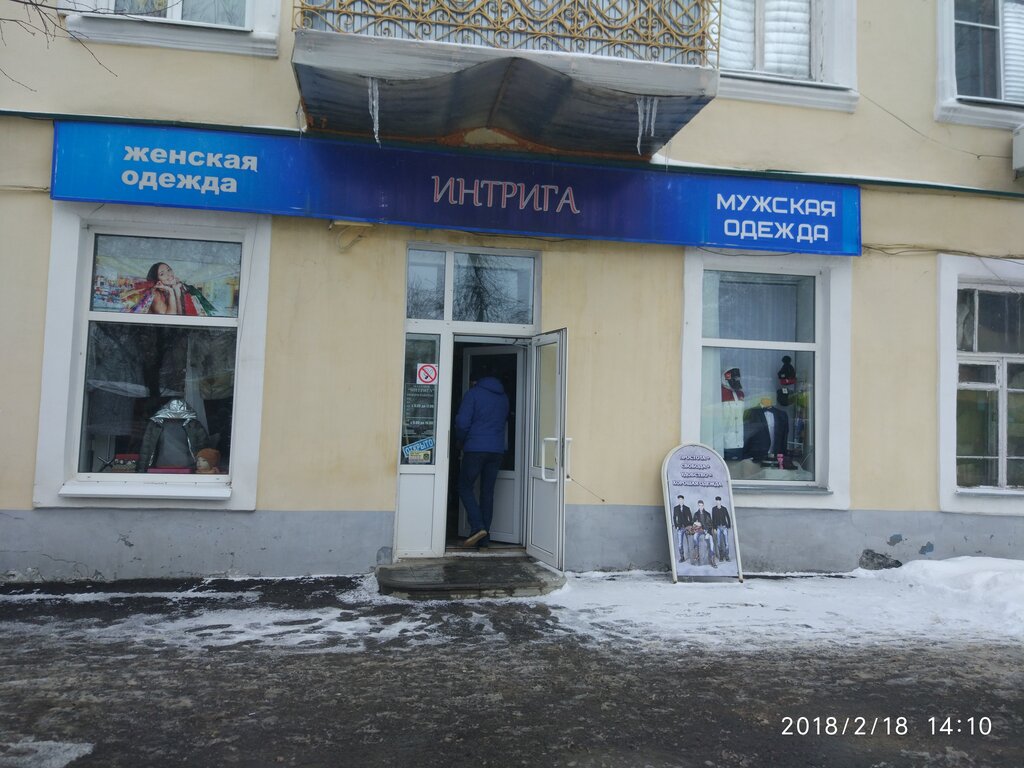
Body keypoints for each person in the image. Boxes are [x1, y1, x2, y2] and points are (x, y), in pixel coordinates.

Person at [455, 371, 510, 548]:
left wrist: (460, 441)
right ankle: (484, 539)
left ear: (475, 381)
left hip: (475, 449)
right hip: (497, 450)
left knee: (464, 487)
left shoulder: (473, 394)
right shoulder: (503, 397)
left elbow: (462, 423)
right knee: (487, 493)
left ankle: (478, 527)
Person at [126, 262, 215, 316]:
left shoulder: (178, 288)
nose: (169, 274)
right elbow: (170, 319)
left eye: (169, 270)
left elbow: (180, 316)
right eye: (162, 274)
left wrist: (177, 292)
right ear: (157, 280)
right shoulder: (155, 294)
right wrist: (171, 292)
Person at [672, 494, 693, 562]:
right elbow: (674, 518)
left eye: (681, 499)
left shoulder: (687, 508)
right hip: (680, 528)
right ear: (678, 500)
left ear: (683, 500)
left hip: (687, 527)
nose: (680, 501)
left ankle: (691, 556)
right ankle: (682, 557)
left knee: (689, 542)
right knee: (680, 544)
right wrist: (676, 526)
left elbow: (690, 518)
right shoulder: (675, 508)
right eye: (679, 500)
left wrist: (690, 526)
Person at [711, 496, 732, 562]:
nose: (718, 502)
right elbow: (713, 519)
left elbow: (728, 517)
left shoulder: (724, 509)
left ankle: (727, 556)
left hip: (724, 527)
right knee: (719, 543)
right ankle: (721, 556)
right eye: (717, 501)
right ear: (716, 501)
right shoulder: (714, 509)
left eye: (719, 501)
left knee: (726, 543)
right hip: (718, 528)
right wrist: (714, 528)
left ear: (720, 501)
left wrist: (728, 526)